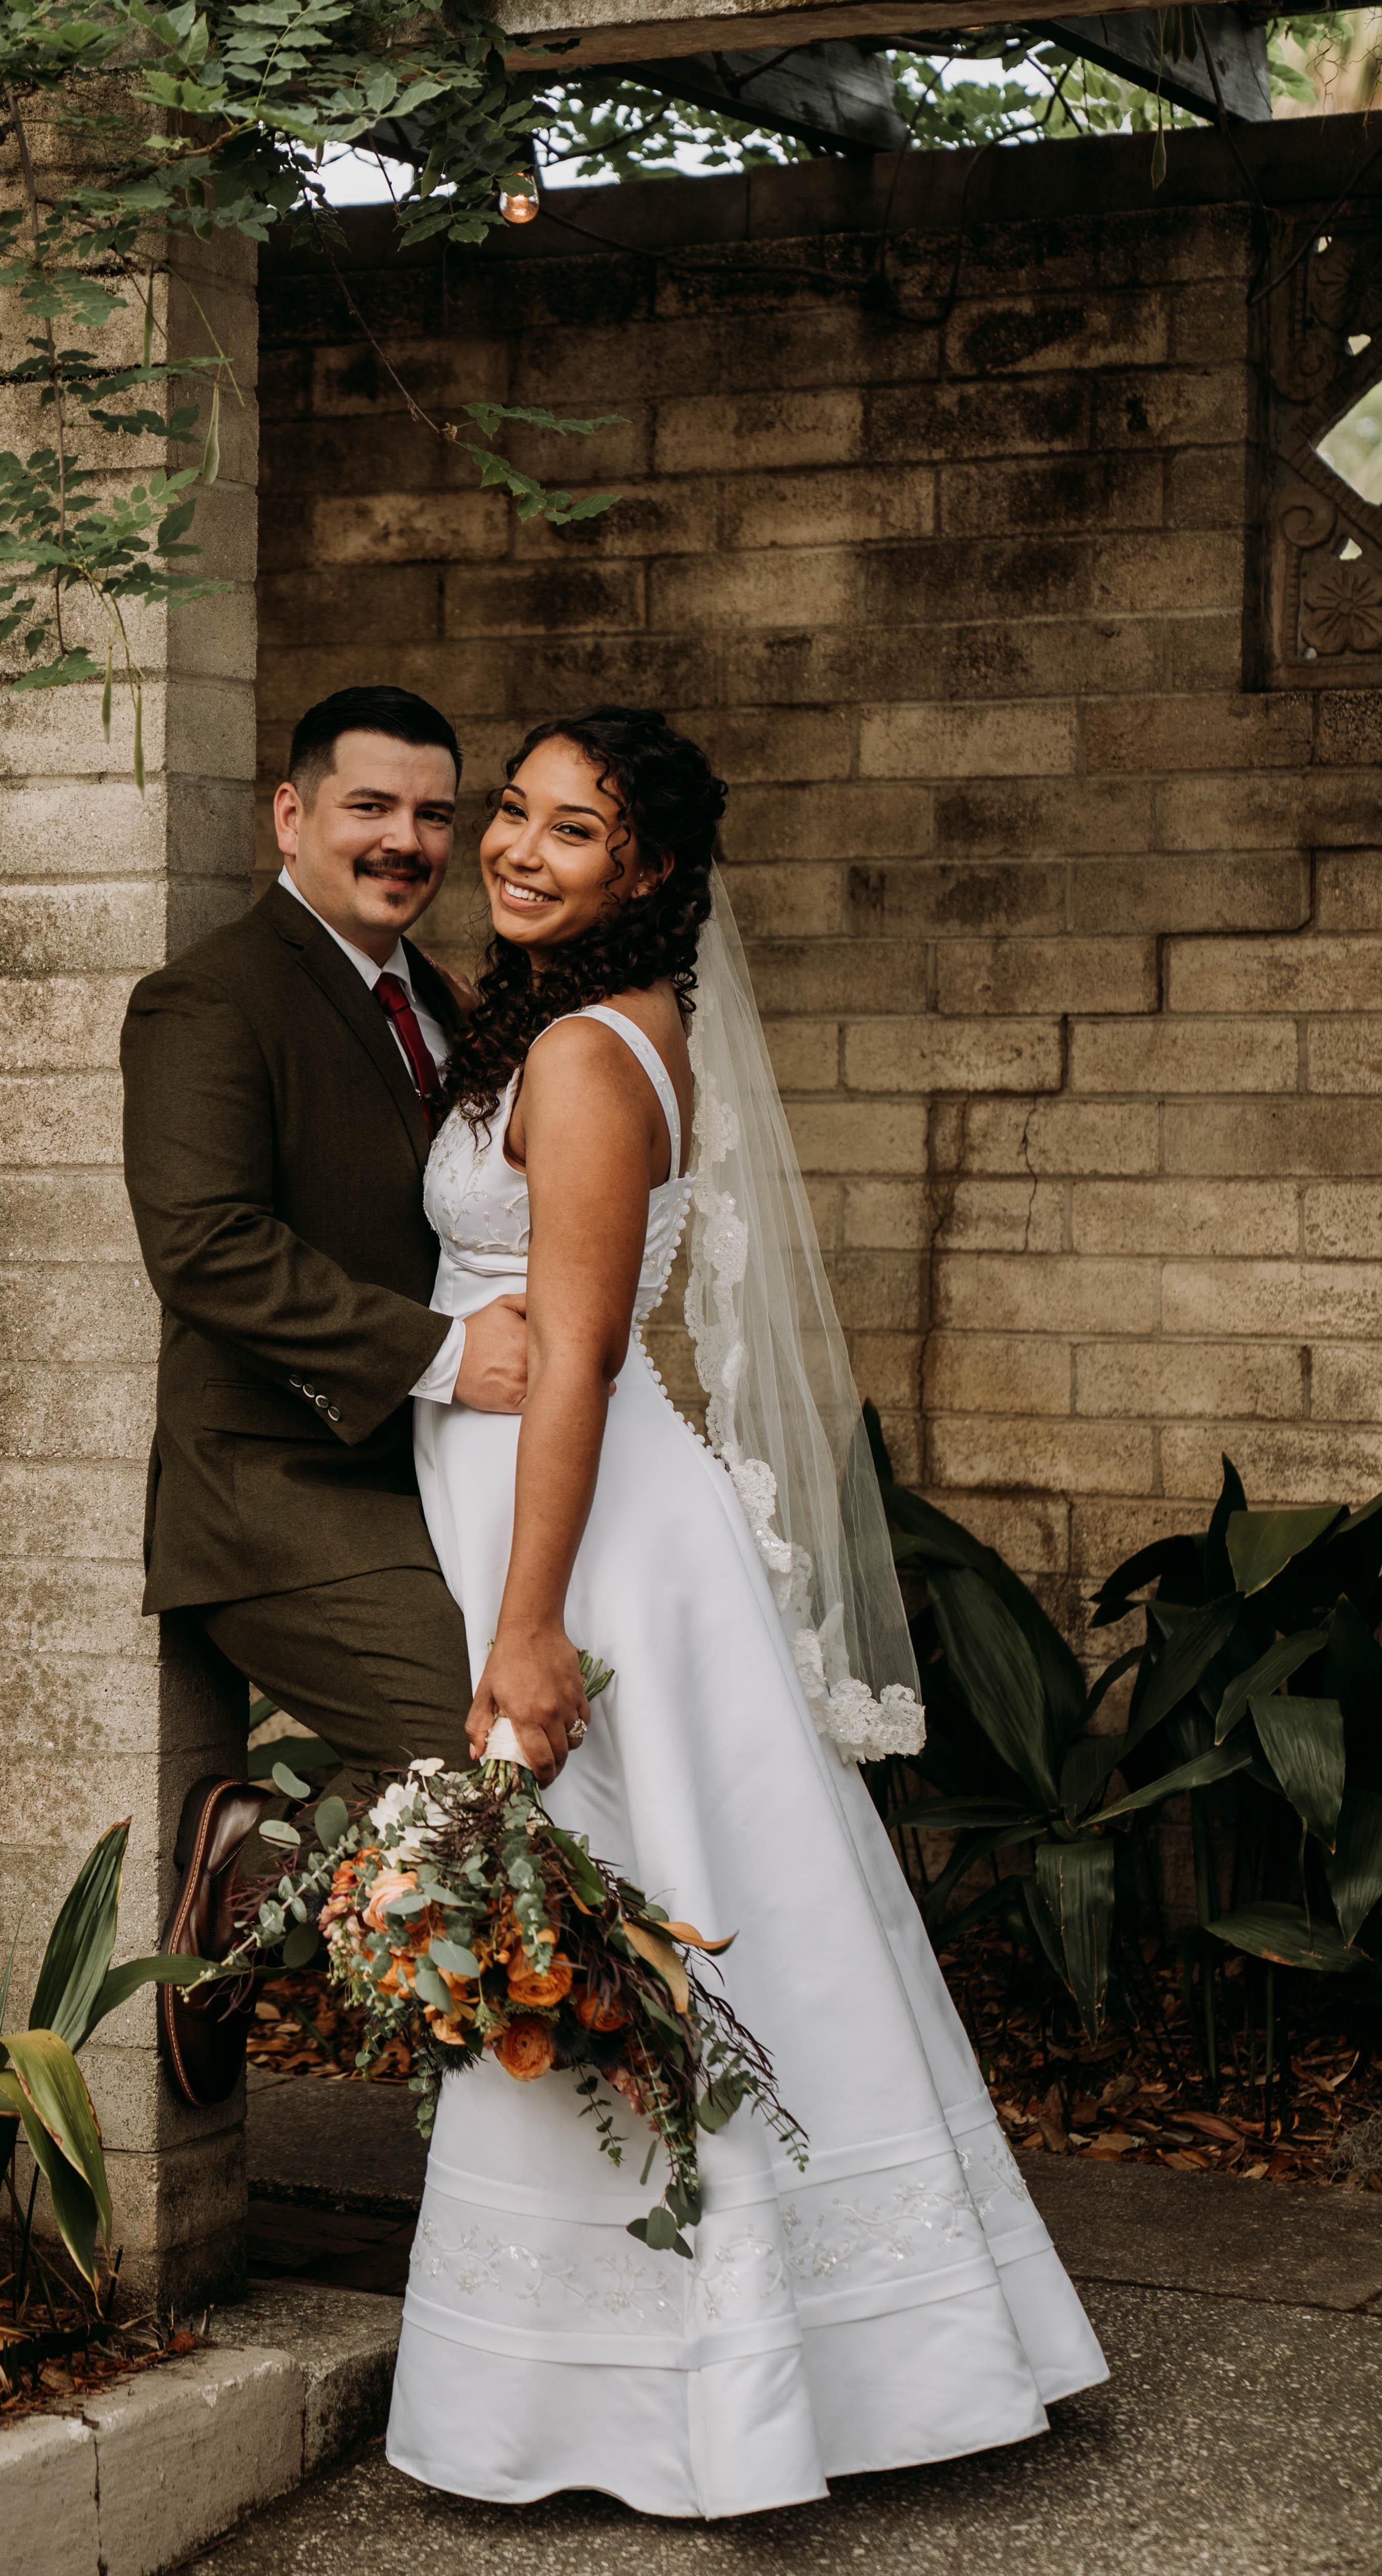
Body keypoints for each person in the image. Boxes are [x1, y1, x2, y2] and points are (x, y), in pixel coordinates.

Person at [384, 705, 1106, 2521]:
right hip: (566, 1504)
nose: (518, 848)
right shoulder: (587, 1019)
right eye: (515, 813)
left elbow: (577, 1358)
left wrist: (529, 1627)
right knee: (674, 1910)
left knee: (624, 1908)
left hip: (588, 1531)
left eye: (573, 829)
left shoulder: (585, 1057)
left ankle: (692, 2379)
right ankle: (763, 2351)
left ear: (647, 870)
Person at [120, 684, 528, 2100]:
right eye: (371, 806)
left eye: (433, 814)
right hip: (275, 1482)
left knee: (566, 1712)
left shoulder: (444, 1003)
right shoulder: (210, 998)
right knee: (470, 1748)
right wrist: (444, 1354)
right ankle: (257, 1874)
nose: (405, 839)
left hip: (433, 1471)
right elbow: (205, 1246)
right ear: (291, 816)